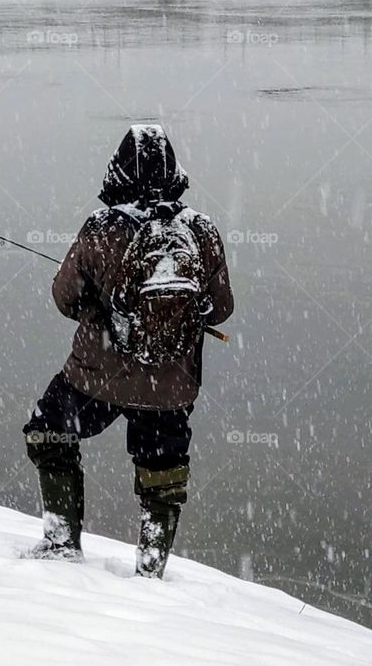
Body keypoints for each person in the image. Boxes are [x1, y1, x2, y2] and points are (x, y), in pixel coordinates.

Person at [22, 124, 234, 578]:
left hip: (96, 376)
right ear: (173, 169)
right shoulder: (201, 228)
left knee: (49, 431)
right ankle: (151, 571)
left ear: (118, 170)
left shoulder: (101, 227)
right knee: (163, 472)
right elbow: (220, 310)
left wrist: (107, 307)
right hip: (170, 386)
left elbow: (64, 299)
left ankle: (61, 542)